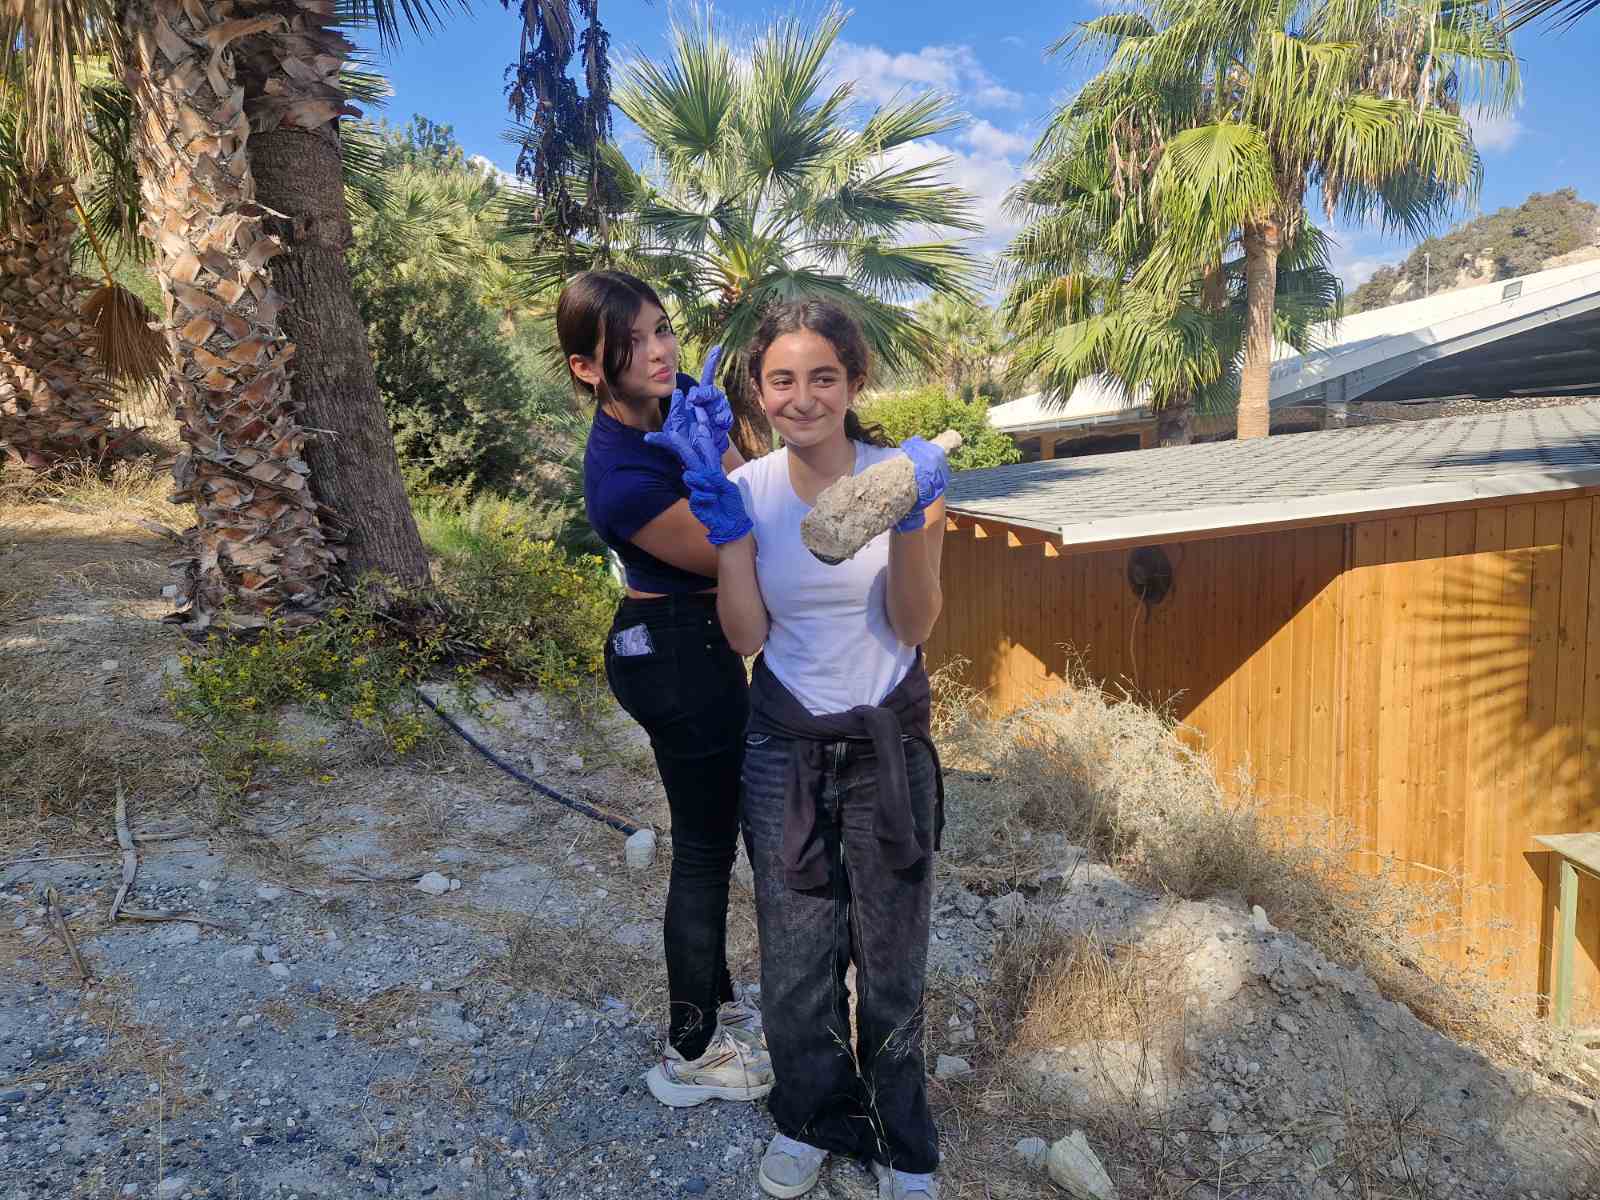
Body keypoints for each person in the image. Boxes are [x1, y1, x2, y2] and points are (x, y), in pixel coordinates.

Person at [649, 298, 950, 1199]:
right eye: (782, 379)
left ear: (855, 382)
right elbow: (746, 638)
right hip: (785, 745)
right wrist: (730, 541)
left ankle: (900, 1137)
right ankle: (812, 1116)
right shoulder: (745, 491)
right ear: (759, 389)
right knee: (794, 956)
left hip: (887, 742)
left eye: (824, 377)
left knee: (892, 958)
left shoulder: (906, 478)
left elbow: (913, 624)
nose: (803, 397)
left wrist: (909, 523)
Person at [558, 269, 772, 1107]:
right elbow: (738, 551)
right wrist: (729, 477)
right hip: (675, 654)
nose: (658, 352)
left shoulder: (676, 396)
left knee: (708, 838)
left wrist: (725, 447)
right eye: (631, 343)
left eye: (662, 328)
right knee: (705, 850)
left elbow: (748, 488)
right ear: (587, 369)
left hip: (687, 641)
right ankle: (692, 1051)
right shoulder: (620, 479)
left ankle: (720, 1007)